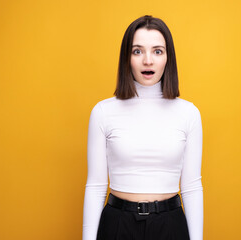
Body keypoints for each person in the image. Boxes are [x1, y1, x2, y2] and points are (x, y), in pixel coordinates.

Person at [82, 15, 203, 240]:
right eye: (137, 51)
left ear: (168, 58)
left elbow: (192, 188)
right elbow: (96, 186)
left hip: (170, 225)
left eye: (157, 51)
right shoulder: (103, 112)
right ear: (126, 57)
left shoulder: (189, 113)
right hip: (117, 224)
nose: (148, 60)